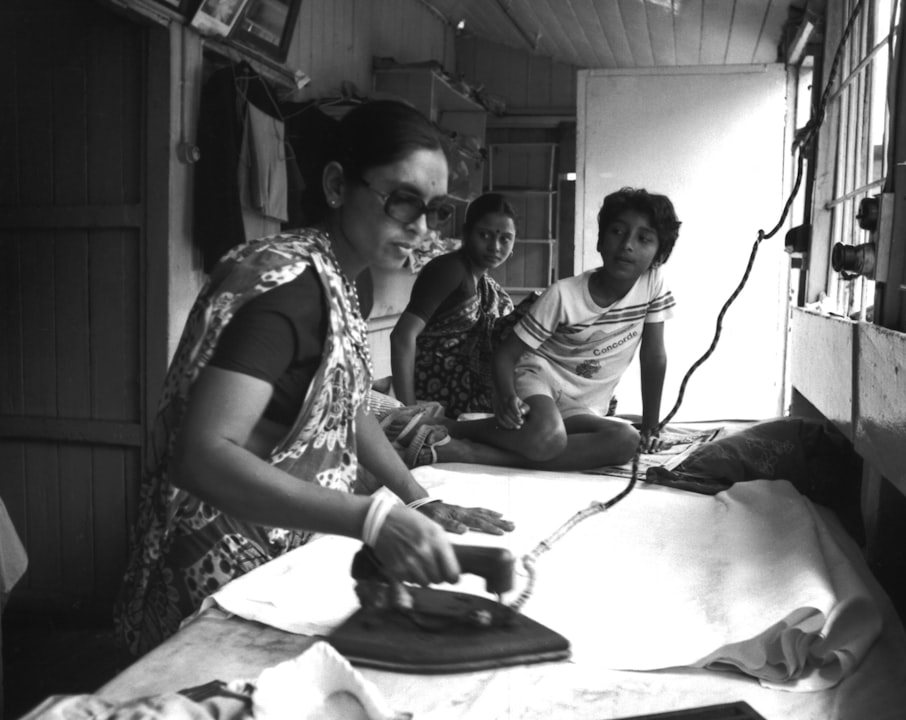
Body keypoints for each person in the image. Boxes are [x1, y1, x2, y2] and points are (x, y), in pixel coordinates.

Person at [113, 100, 514, 657]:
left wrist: (416, 502)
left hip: (276, 545)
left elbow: (344, 409)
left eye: (437, 211)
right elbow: (201, 454)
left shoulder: (345, 281)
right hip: (221, 563)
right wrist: (371, 517)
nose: (421, 229)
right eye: (403, 202)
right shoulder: (292, 286)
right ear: (335, 185)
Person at [401, 187, 680, 471]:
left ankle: (476, 448)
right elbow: (501, 353)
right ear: (599, 240)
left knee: (625, 440)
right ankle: (460, 433)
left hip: (579, 402)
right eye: (617, 232)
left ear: (659, 254)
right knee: (547, 437)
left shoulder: (653, 283)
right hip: (534, 379)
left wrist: (650, 426)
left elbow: (654, 355)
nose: (628, 245)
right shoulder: (561, 294)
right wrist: (505, 397)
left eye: (643, 239)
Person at [390, 193, 518, 418]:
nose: (495, 246)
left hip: (463, 395)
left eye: (505, 238)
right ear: (466, 233)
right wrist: (409, 410)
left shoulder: (485, 285)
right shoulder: (450, 269)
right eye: (484, 235)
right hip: (431, 392)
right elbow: (402, 336)